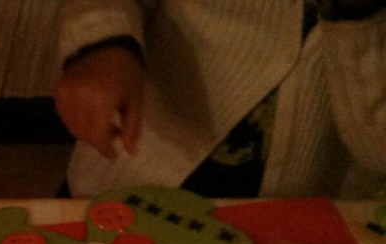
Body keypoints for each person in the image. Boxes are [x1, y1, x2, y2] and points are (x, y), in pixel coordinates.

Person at [52, 0, 386, 200]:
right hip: (134, 171)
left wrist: (357, 17)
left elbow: (376, 152)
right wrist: (101, 43)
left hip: (292, 217)